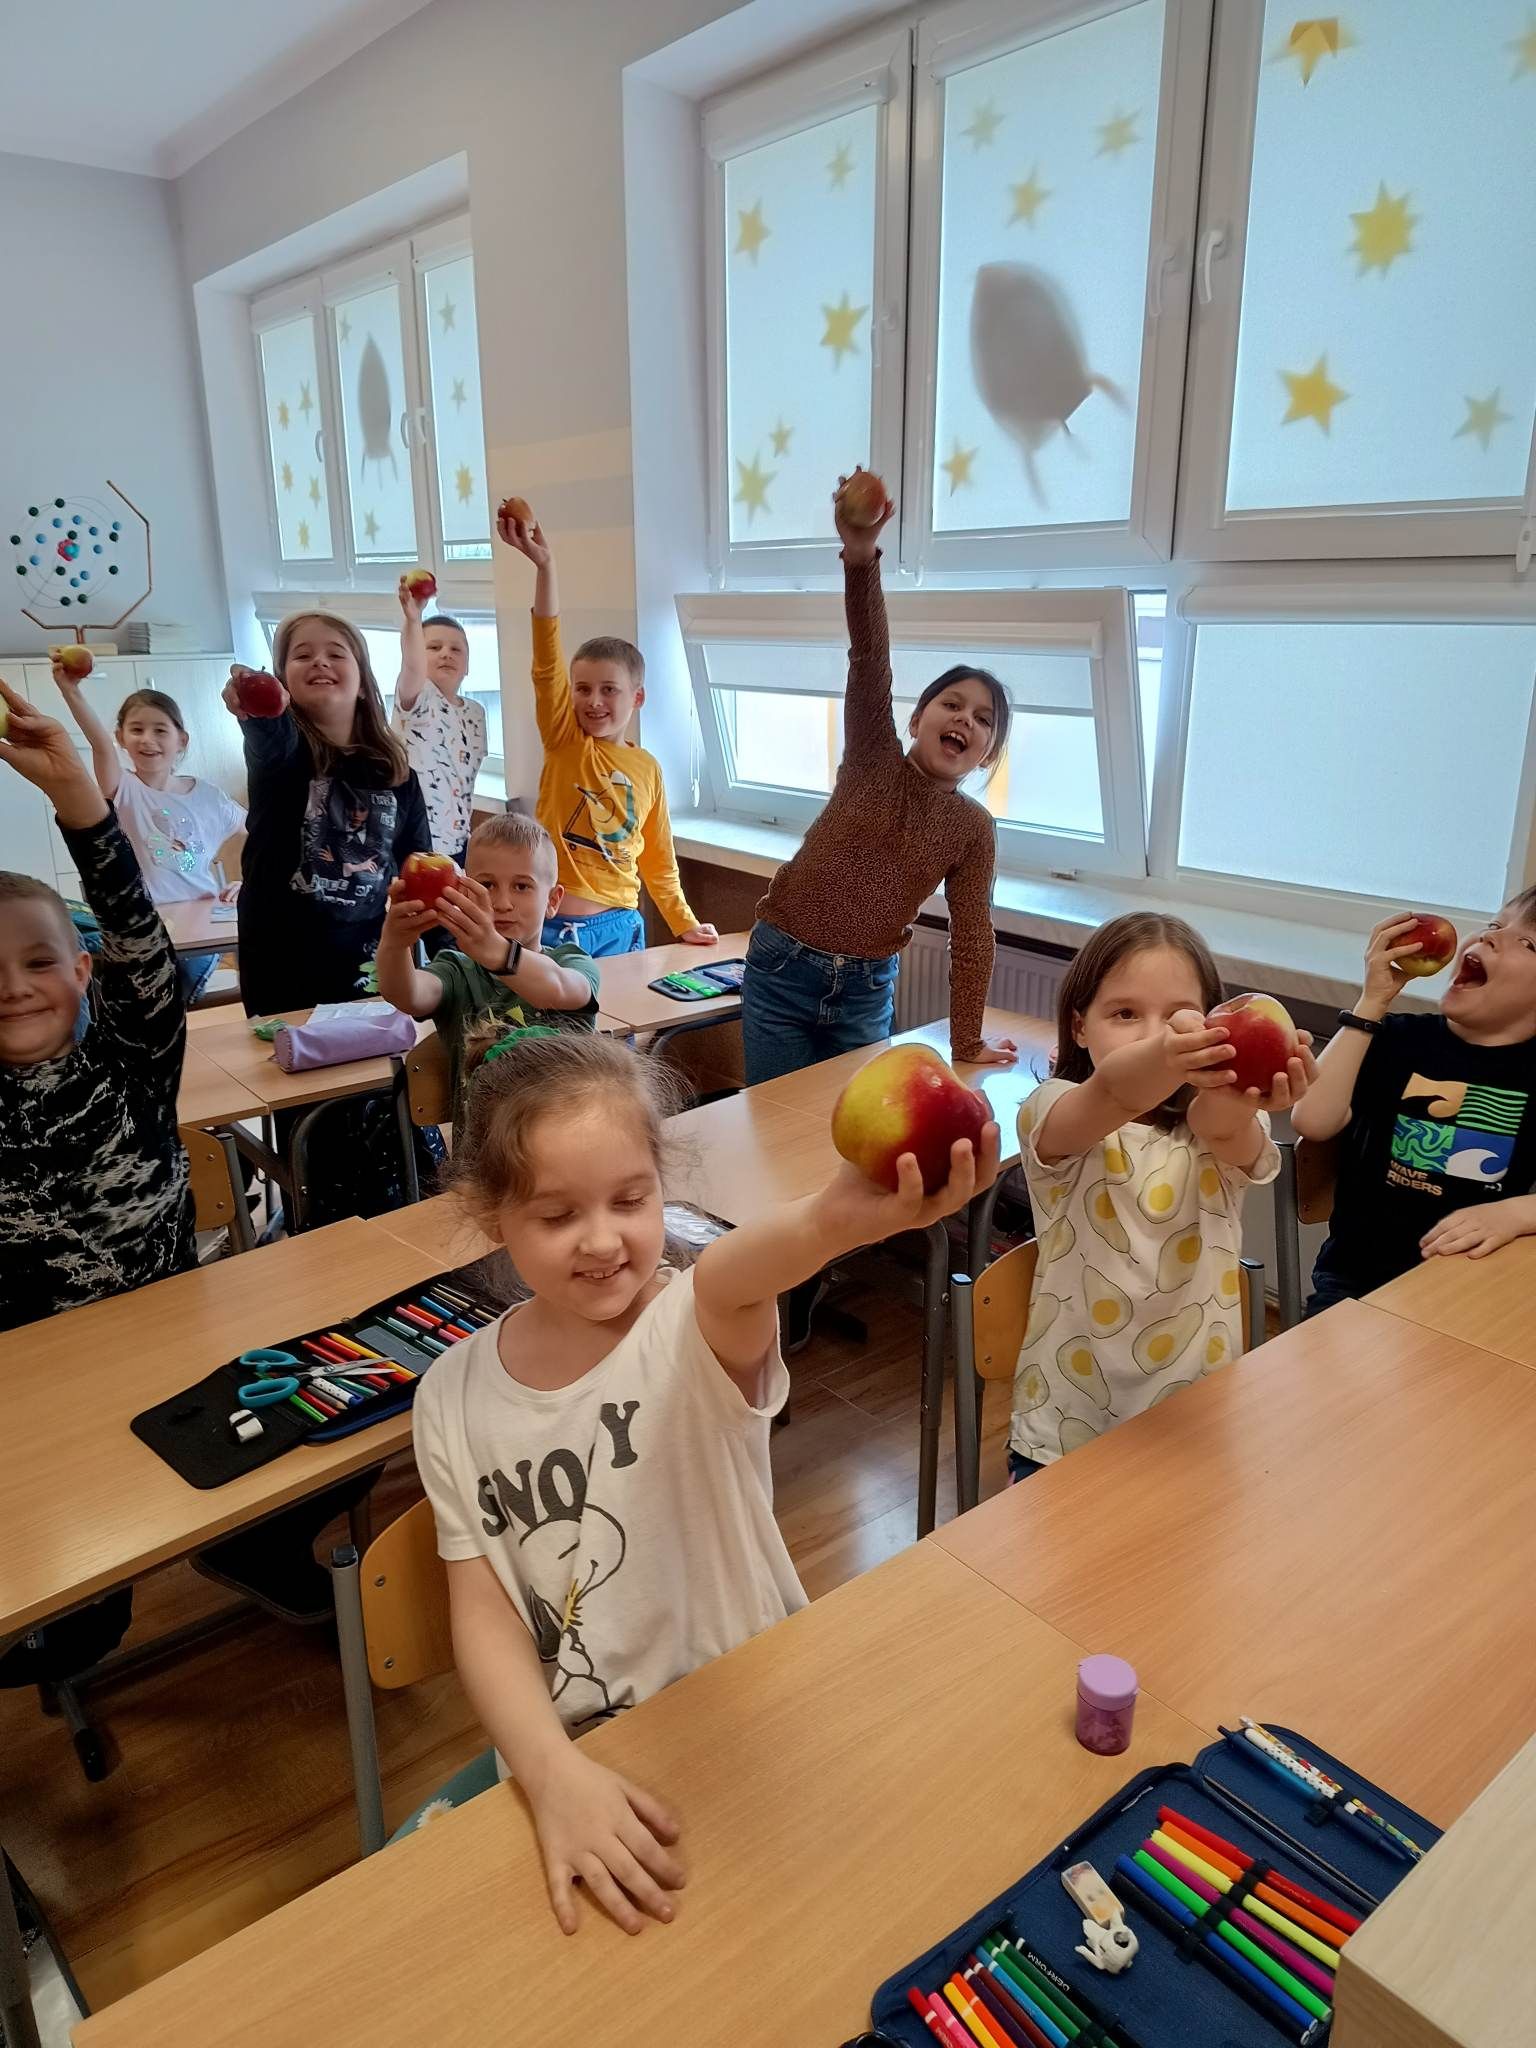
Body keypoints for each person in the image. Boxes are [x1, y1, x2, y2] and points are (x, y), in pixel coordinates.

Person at [412, 1030, 998, 1933]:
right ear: (493, 1217)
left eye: (630, 1199)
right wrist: (551, 1773)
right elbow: (485, 1615)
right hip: (579, 1764)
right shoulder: (449, 1395)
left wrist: (837, 1220)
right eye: (557, 1216)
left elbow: (736, 1273)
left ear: (662, 1184)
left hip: (754, 1720)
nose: (602, 1239)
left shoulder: (694, 1322)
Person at [0, 676, 193, 1673]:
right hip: (37, 1402)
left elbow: (141, 944)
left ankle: (253, 1556)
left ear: (81, 971)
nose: (12, 988)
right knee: (77, 1615)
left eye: (38, 962)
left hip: (178, 1355)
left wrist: (81, 800)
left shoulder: (133, 1060)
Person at [1008, 913, 1314, 1475]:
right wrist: (1172, 1052)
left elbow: (1218, 1123)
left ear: (1213, 1025)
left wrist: (1242, 1082)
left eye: (1178, 1017)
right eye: (1125, 1014)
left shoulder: (1222, 1124)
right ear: (1079, 1027)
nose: (1155, 1035)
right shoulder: (1053, 1109)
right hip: (1065, 1428)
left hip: (1198, 1425)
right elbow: (1114, 1093)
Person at [742, 474, 1018, 1087]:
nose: (964, 720)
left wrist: (967, 1038)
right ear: (917, 720)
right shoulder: (874, 756)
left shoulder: (972, 829)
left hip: (866, 991)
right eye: (952, 704)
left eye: (983, 720)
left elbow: (973, 935)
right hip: (783, 967)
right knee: (772, 1118)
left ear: (987, 754)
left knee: (855, 1128)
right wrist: (862, 555)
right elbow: (870, 656)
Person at [1291, 895, 1536, 1311]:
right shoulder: (1396, 1037)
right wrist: (1371, 1004)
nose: (1492, 938)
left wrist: (1515, 1214)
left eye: (1528, 943)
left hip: (1471, 1289)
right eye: (1495, 925)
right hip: (1357, 1283)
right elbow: (1312, 1121)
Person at [498, 507, 717, 958]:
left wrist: (685, 924)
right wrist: (545, 566)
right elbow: (546, 661)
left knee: (621, 1009)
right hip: (553, 928)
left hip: (620, 926)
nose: (593, 701)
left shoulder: (648, 768)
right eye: (582, 689)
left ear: (637, 697)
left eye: (608, 690)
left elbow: (659, 861)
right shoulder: (565, 740)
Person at [225, 611, 430, 1017]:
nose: (319, 661)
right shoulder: (281, 757)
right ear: (284, 684)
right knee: (287, 1056)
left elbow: (420, 870)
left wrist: (449, 959)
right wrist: (257, 705)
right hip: (281, 966)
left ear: (364, 684)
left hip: (368, 961)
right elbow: (270, 736)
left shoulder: (398, 776)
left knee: (378, 1056)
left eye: (336, 654)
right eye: (302, 656)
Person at [375, 810, 599, 1118]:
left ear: (552, 900)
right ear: (465, 890)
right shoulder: (457, 971)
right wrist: (394, 943)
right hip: (483, 1148)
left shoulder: (571, 961)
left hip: (570, 1140)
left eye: (522, 886)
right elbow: (406, 994)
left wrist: (499, 952)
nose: (502, 903)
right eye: (488, 884)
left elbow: (561, 989)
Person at [54, 670, 245, 1007]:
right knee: (150, 999)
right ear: (121, 738)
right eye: (136, 730)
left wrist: (249, 882)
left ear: (181, 740)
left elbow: (263, 836)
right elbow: (99, 744)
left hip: (202, 926)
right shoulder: (123, 788)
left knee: (173, 996)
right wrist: (70, 689)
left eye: (160, 730)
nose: (147, 739)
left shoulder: (209, 797)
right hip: (144, 929)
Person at [390, 584, 487, 960]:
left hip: (457, 843)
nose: (446, 653)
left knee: (456, 937)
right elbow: (412, 668)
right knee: (431, 932)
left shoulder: (475, 712)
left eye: (456, 649)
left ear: (468, 664)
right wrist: (413, 620)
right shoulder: (416, 700)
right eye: (433, 647)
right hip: (415, 845)